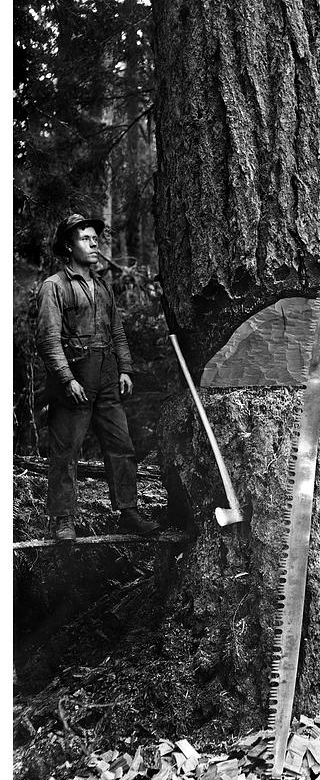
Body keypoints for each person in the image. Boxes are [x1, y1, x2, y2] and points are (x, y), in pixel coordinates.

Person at [36, 213, 159, 540]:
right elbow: (48, 339)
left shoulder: (103, 286)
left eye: (95, 238)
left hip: (106, 374)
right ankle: (63, 520)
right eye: (84, 239)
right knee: (66, 450)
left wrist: (125, 368)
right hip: (75, 375)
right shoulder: (55, 286)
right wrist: (66, 379)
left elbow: (117, 330)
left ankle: (129, 511)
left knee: (121, 445)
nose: (93, 244)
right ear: (68, 245)